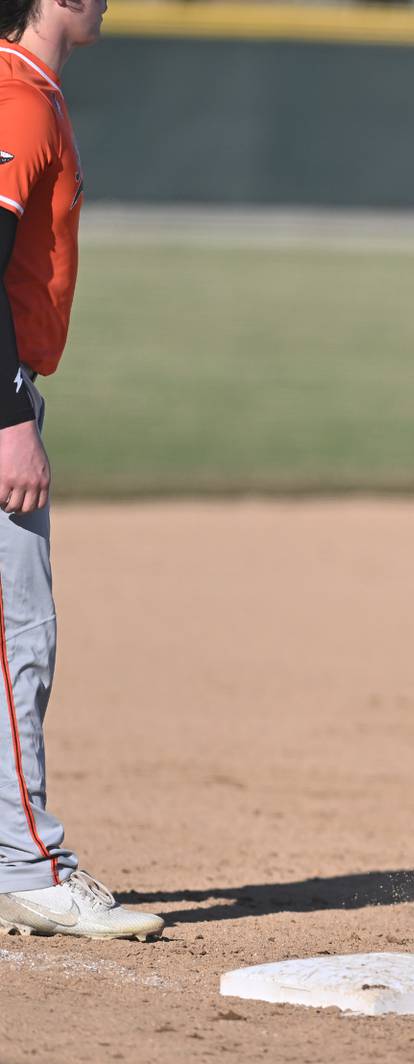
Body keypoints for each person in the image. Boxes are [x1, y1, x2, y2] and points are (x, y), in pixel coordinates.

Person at [0, 0, 164, 941]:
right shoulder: (16, 96)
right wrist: (11, 415)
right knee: (17, 635)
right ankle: (26, 863)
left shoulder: (31, 92)